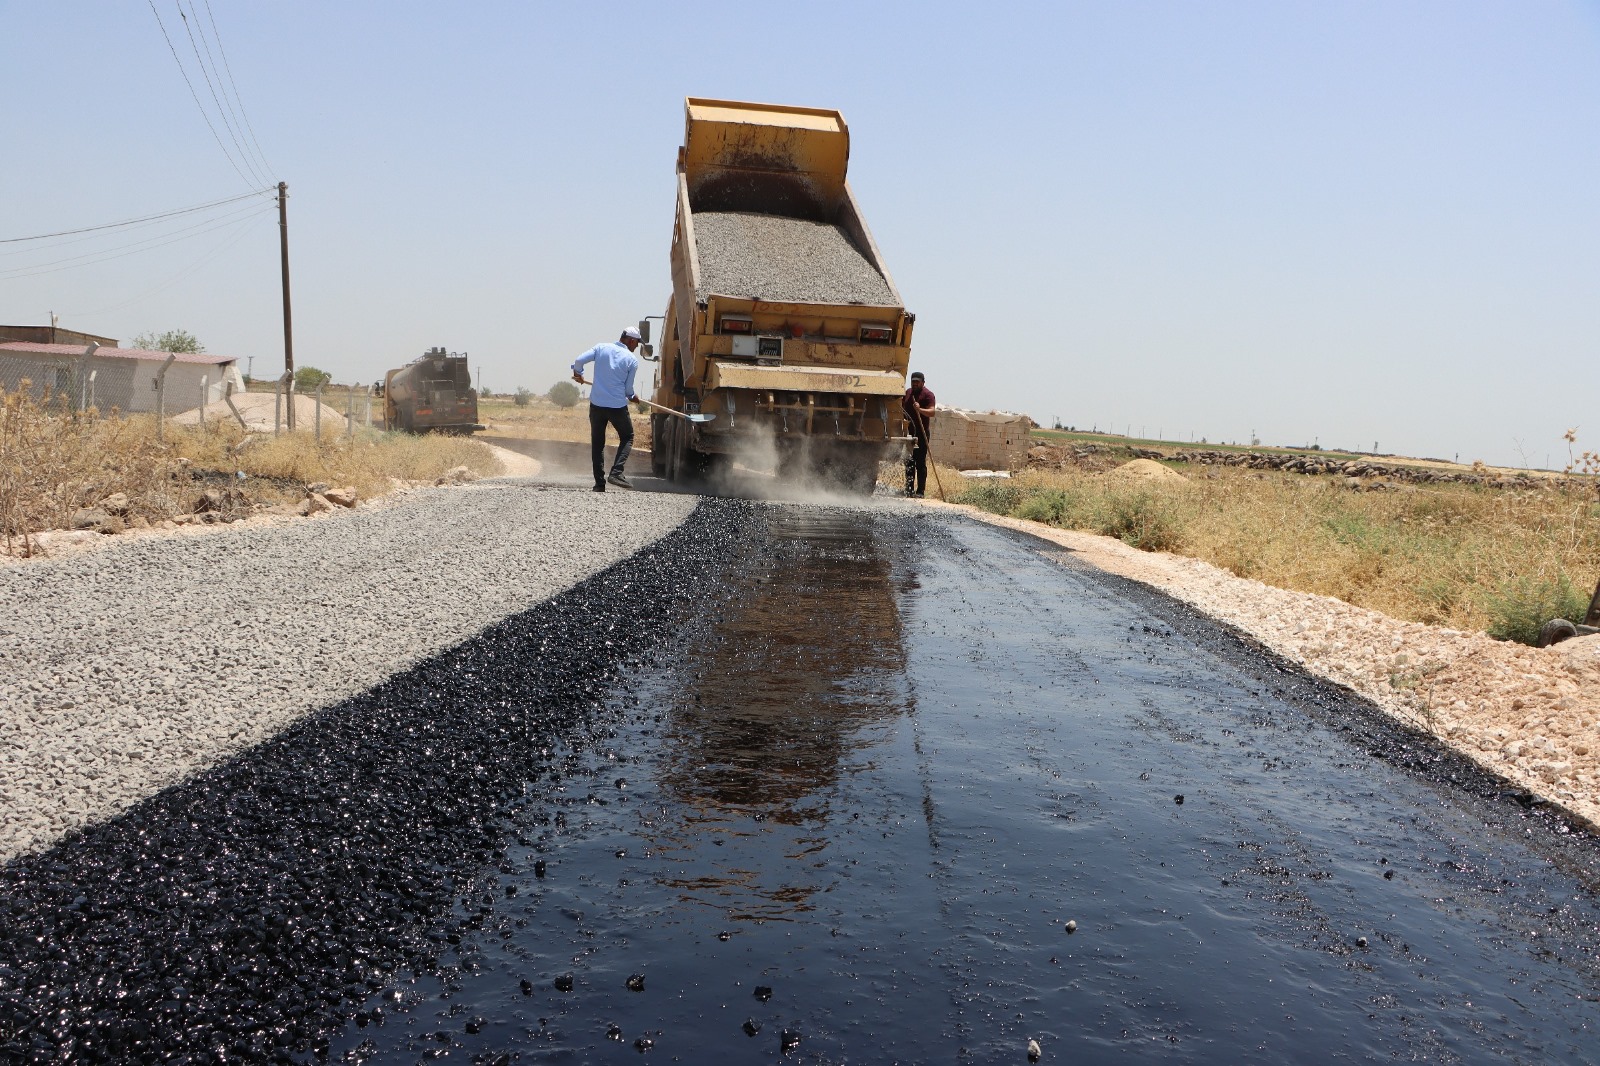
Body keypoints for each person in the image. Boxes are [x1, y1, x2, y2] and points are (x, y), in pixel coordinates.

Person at [572, 327, 642, 491]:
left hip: (596, 405)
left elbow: (579, 360)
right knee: (627, 436)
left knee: (598, 443)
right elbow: (628, 390)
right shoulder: (632, 360)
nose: (637, 347)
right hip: (617, 406)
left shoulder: (601, 348)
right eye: (637, 343)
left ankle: (599, 484)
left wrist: (578, 373)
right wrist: (633, 397)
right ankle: (616, 473)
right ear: (631, 340)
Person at [902, 371, 936, 497]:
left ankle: (920, 491)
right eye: (913, 381)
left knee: (920, 462)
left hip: (922, 433)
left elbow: (932, 412)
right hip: (909, 433)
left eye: (917, 382)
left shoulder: (928, 395)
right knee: (909, 461)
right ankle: (909, 489)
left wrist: (920, 409)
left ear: (923, 382)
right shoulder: (908, 393)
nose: (915, 384)